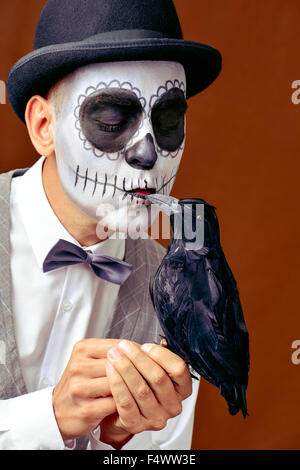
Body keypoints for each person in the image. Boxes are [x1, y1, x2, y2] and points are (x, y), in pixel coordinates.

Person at [0, 0, 222, 450]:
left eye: (168, 121)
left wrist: (117, 441)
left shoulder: (179, 293)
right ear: (44, 126)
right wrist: (48, 419)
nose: (148, 153)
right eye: (111, 120)